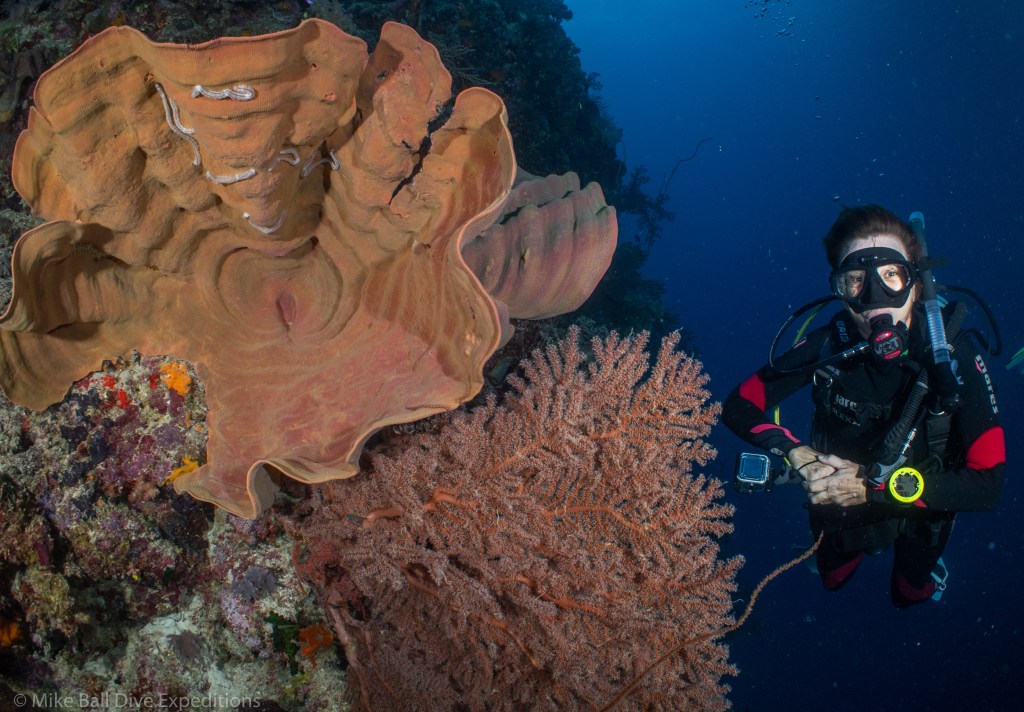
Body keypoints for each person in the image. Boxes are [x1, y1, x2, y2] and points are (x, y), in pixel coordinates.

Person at [722, 204, 1005, 608]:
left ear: (917, 283)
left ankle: (925, 578)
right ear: (838, 288)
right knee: (832, 580)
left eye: (891, 275)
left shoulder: (953, 353)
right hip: (838, 496)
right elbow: (740, 403)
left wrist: (877, 489)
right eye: (855, 280)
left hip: (924, 501)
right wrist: (796, 453)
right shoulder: (829, 344)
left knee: (908, 594)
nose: (875, 299)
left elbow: (989, 483)